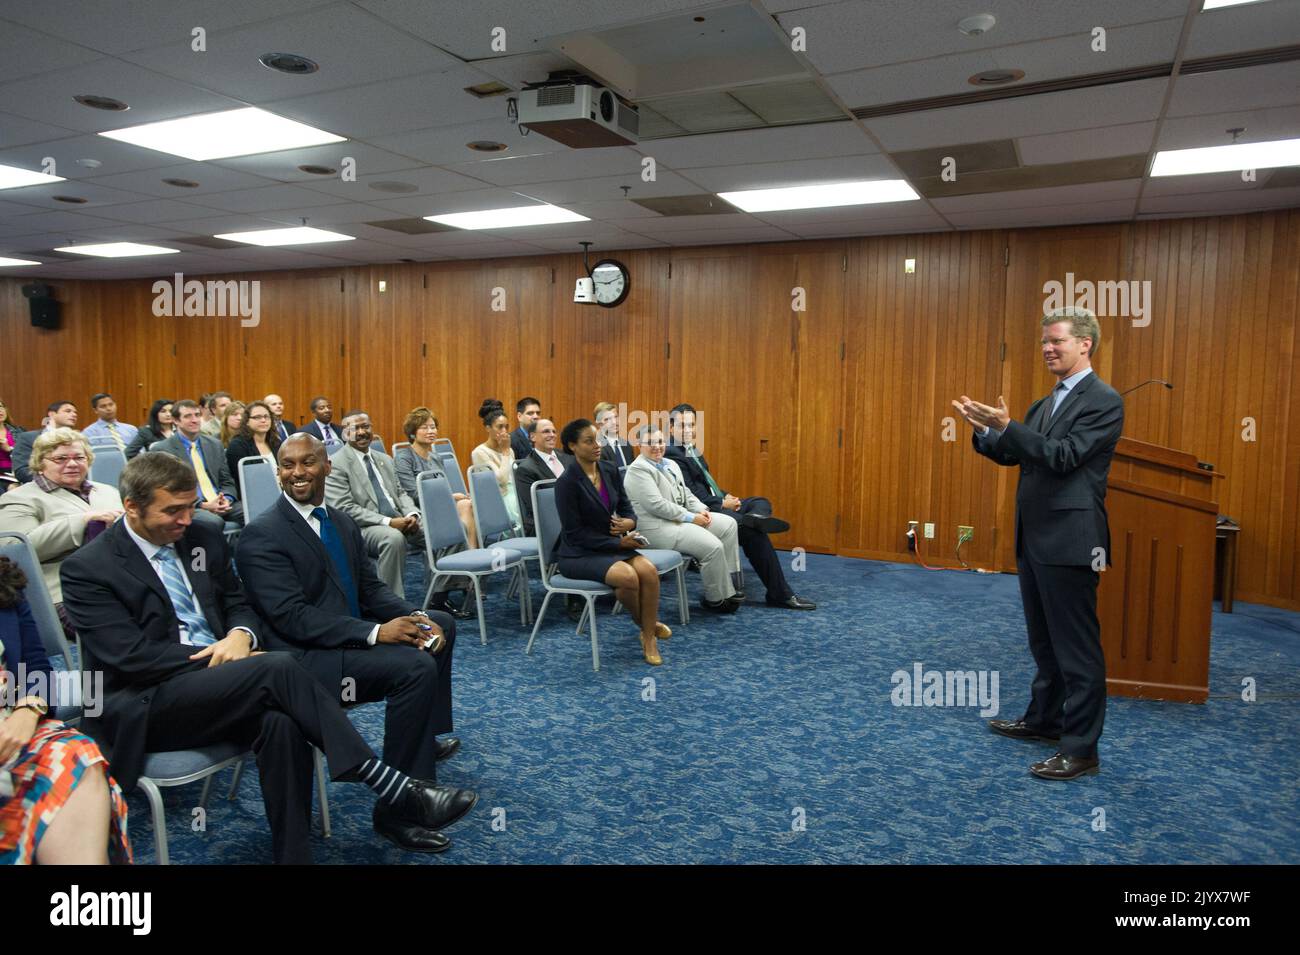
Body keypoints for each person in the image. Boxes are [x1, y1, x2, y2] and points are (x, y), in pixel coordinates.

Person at [61, 453, 475, 861]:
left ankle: (292, 855)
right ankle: (391, 785)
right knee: (276, 666)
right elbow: (130, 657)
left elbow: (238, 603)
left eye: (190, 507)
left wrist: (240, 634)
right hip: (150, 701)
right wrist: (220, 656)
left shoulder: (201, 538)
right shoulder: (88, 568)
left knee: (282, 721)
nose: (186, 520)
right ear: (131, 507)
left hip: (228, 685)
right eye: (172, 511)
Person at [236, 434, 471, 828]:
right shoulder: (262, 534)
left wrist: (413, 615)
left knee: (440, 622)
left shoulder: (341, 522)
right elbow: (293, 619)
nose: (297, 473)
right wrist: (377, 632)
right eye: (288, 465)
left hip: (345, 637)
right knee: (412, 669)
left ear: (327, 466)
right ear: (278, 472)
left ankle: (422, 742)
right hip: (306, 659)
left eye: (307, 462)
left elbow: (370, 589)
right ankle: (401, 808)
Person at [954, 306, 1123, 781]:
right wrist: (988, 432)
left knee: (1077, 650)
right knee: (1044, 642)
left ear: (1085, 344)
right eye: (1045, 342)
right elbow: (1018, 456)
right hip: (1035, 538)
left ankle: (1081, 749)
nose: (1048, 348)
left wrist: (1009, 428)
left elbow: (1064, 457)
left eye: (1058, 342)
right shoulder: (1047, 402)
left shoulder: (1102, 399)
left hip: (1072, 541)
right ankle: (1044, 720)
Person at [0, 556, 131, 864]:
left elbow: (39, 669)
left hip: (14, 720)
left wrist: (27, 711)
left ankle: (84, 910)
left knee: (77, 754)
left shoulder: (5, 582)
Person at [666, 404, 815, 611]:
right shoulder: (672, 454)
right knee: (753, 534)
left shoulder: (691, 449)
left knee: (760, 501)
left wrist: (724, 494)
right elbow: (690, 495)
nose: (689, 430)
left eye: (692, 425)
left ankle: (755, 516)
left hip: (716, 502)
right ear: (671, 428)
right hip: (702, 512)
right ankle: (780, 594)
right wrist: (721, 503)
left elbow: (706, 484)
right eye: (683, 426)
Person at [555, 418, 668, 666]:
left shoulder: (608, 469)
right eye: (589, 441)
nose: (597, 445)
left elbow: (627, 508)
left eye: (597, 439)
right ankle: (648, 630)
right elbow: (575, 534)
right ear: (573, 446)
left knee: (648, 571)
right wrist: (618, 545)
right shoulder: (566, 483)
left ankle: (646, 633)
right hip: (578, 554)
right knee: (628, 577)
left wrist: (630, 522)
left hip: (610, 545)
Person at [0, 429, 123, 623]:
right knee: (118, 623)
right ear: (40, 463)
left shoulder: (107, 491)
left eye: (79, 457)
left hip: (119, 581)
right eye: (61, 459)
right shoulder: (19, 498)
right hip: (63, 592)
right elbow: (15, 550)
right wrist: (82, 521)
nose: (72, 464)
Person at [324, 410, 437, 606]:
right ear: (345, 433)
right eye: (354, 428)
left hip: (399, 519)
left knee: (444, 529)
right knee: (393, 538)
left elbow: (401, 493)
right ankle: (390, 605)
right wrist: (388, 522)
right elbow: (344, 508)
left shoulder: (383, 458)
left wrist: (412, 514)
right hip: (362, 527)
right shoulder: (336, 463)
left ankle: (440, 595)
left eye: (365, 427)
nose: (361, 432)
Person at [624, 426, 742, 613]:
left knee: (728, 524)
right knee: (712, 546)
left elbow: (686, 494)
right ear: (639, 445)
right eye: (650, 443)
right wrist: (691, 517)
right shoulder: (638, 470)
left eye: (660, 442)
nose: (657, 447)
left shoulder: (671, 464)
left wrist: (702, 510)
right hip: (656, 529)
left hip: (677, 521)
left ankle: (731, 583)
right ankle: (717, 599)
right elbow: (657, 505)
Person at [153, 399, 243, 529]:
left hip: (221, 502)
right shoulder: (163, 450)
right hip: (191, 505)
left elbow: (227, 480)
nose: (194, 420)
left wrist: (227, 499)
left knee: (254, 513)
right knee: (213, 522)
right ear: (176, 421)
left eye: (197, 415)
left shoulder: (214, 444)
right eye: (188, 416)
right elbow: (169, 489)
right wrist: (202, 505)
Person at [394, 407, 476, 548]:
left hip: (441, 506)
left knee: (466, 504)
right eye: (424, 428)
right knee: (463, 508)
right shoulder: (404, 458)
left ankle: (470, 553)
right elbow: (413, 494)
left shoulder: (436, 458)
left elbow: (443, 489)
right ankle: (467, 555)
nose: (431, 431)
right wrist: (451, 497)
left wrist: (458, 497)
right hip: (421, 511)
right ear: (413, 433)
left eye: (433, 427)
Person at [514, 418, 572, 536]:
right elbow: (537, 507)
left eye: (554, 431)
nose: (552, 435)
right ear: (533, 437)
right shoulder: (526, 469)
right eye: (546, 431)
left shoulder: (568, 457)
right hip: (546, 523)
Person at [471, 399, 521, 531]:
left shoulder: (509, 449)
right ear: (488, 428)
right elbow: (501, 481)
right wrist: (504, 452)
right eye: (500, 427)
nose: (505, 431)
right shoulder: (480, 452)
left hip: (516, 494)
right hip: (499, 500)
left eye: (507, 427)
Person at [12, 400, 78, 483]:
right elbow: (22, 470)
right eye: (68, 411)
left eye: (75, 412)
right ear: (52, 414)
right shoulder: (28, 438)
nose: (74, 415)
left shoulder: (78, 440)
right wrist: (51, 482)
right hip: (41, 488)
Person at [226, 400, 281, 478]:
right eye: (257, 417)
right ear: (247, 421)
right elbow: (244, 478)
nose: (263, 420)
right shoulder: (238, 445)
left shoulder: (276, 442)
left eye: (266, 416)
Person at [594, 402, 633, 470]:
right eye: (607, 419)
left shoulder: (627, 445)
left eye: (616, 417)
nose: (614, 422)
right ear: (599, 424)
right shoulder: (597, 448)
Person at [0, 398, 23, 489]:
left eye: (1, 407)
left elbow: (27, 456)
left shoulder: (19, 432)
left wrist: (9, 449)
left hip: (15, 473)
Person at [510, 396, 541, 461]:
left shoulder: (543, 437)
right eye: (530, 413)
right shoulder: (511, 440)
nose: (536, 416)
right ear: (519, 416)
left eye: (538, 413)